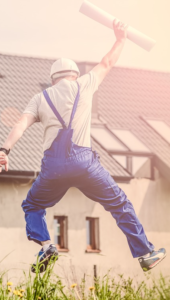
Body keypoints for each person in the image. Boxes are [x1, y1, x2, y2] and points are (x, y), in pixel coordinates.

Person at [0, 20, 166, 273]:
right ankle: (145, 253)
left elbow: (21, 124)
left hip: (53, 167)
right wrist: (120, 38)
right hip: (85, 164)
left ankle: (45, 245)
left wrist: (5, 150)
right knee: (120, 204)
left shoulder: (39, 97)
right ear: (74, 75)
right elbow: (107, 62)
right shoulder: (85, 85)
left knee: (32, 205)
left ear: (52, 79)